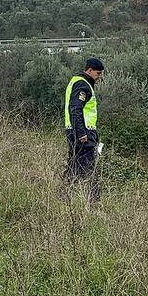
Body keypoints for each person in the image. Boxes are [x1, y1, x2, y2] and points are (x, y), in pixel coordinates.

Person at [63, 57, 104, 201]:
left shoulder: (77, 81)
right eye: (98, 73)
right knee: (88, 167)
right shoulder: (83, 85)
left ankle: (65, 196)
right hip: (83, 132)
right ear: (90, 70)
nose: (100, 77)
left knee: (75, 165)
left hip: (75, 130)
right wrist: (81, 133)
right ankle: (93, 200)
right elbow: (75, 109)